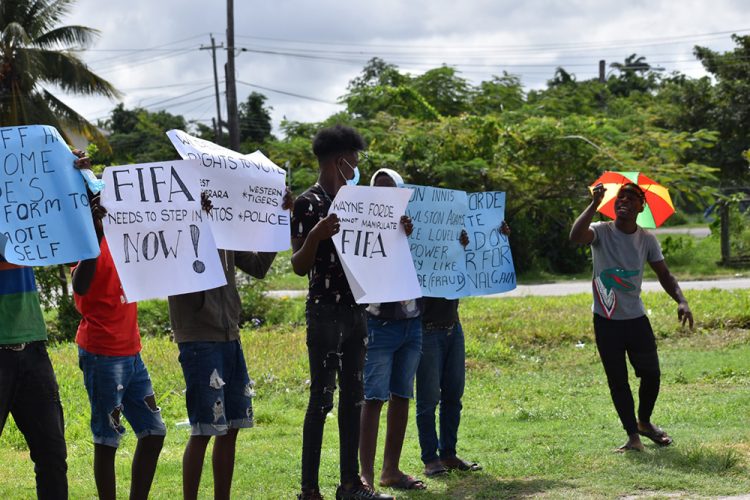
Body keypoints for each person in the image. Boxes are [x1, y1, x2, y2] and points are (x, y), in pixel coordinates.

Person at [169, 191, 291, 500]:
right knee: (204, 428)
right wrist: (193, 216)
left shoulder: (226, 227)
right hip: (198, 338)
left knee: (232, 424)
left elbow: (259, 266)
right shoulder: (175, 225)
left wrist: (280, 218)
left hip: (230, 336)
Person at [291, 125, 391, 500]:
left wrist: (398, 232)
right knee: (321, 399)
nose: (358, 165)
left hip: (355, 312)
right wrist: (316, 235)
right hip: (324, 314)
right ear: (341, 160)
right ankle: (309, 490)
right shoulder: (308, 203)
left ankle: (350, 485)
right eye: (355, 159)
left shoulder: (358, 202)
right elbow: (300, 266)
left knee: (354, 397)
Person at [569, 182, 693, 452]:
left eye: (631, 197)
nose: (623, 200)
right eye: (619, 196)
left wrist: (682, 300)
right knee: (618, 380)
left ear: (642, 206)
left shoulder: (646, 239)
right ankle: (632, 437)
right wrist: (593, 204)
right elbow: (576, 236)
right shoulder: (601, 232)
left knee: (652, 374)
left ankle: (644, 422)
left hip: (636, 319)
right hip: (606, 320)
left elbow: (665, 274)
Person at [0, 149, 90, 499]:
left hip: (32, 347)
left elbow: (70, 244)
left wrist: (71, 178)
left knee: (53, 455)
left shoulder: (22, 203)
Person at [72, 190, 165, 500]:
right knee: (107, 437)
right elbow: (80, 286)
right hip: (102, 353)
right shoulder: (83, 236)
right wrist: (95, 234)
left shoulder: (127, 233)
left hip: (132, 351)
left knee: (154, 432)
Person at [416, 223, 510, 477]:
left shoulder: (458, 244)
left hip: (452, 327)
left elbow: (479, 261)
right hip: (426, 330)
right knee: (428, 399)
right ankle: (430, 459)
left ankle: (448, 453)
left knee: (453, 396)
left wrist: (496, 237)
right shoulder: (412, 245)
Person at [359, 169, 424, 491]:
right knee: (373, 398)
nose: (385, 195)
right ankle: (366, 478)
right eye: (378, 189)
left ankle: (391, 471)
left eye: (391, 189)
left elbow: (435, 263)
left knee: (402, 395)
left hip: (412, 323)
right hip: (378, 324)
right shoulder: (363, 224)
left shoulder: (416, 224)